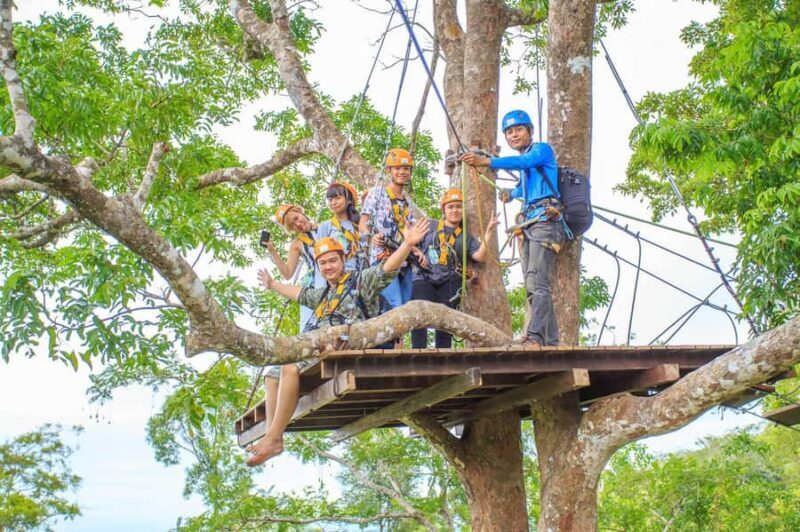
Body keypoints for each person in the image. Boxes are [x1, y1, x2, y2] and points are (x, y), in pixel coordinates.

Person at [246, 218, 431, 466]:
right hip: (322, 348)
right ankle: (272, 435)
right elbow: (299, 294)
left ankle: (274, 438)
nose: (328, 266)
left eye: (333, 260)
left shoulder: (359, 282)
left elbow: (386, 269)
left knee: (288, 368)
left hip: (348, 347)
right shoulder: (323, 294)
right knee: (272, 375)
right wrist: (272, 284)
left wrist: (407, 245)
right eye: (322, 263)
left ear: (343, 260)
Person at [461, 109, 565, 346]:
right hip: (531, 223)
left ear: (529, 131)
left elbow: (525, 162)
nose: (514, 135)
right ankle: (549, 340)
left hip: (545, 222)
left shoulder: (540, 150)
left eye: (518, 130)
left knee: (538, 282)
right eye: (509, 132)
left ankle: (536, 336)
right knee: (531, 284)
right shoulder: (529, 165)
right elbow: (525, 185)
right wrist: (512, 193)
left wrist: (488, 161)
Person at [410, 188, 498, 349]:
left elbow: (479, 256)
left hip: (449, 279)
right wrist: (417, 252)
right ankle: (418, 352)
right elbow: (409, 242)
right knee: (419, 313)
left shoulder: (465, 236)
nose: (455, 210)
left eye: (458, 207)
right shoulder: (430, 225)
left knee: (446, 321)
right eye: (450, 207)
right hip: (424, 276)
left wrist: (488, 235)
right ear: (443, 209)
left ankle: (443, 357)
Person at [359, 148, 428, 314]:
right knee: (393, 305)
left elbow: (406, 234)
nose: (402, 172)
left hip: (404, 260)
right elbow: (363, 223)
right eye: (397, 168)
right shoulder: (377, 194)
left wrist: (417, 251)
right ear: (389, 171)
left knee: (404, 307)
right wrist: (372, 236)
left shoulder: (406, 204)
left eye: (406, 169)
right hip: (383, 258)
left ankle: (398, 341)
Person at [261, 204, 322, 332]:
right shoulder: (297, 243)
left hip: (336, 279)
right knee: (309, 328)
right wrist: (273, 251)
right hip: (312, 286)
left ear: (300, 212)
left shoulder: (326, 227)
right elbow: (288, 273)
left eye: (296, 218)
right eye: (292, 226)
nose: (297, 224)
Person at [316, 181, 365, 272]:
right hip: (336, 276)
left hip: (359, 275)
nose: (333, 203)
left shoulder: (360, 225)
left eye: (338, 198)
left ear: (349, 200)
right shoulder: (325, 226)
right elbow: (320, 256)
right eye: (330, 200)